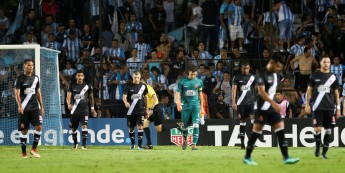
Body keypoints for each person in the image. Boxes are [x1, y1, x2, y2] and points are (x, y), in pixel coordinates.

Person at [243, 54, 299, 165]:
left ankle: (286, 157)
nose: (279, 69)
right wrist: (275, 103)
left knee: (280, 131)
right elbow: (262, 92)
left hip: (272, 109)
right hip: (262, 109)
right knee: (256, 133)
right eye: (277, 66)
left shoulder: (276, 75)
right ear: (272, 63)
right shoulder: (261, 75)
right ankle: (247, 157)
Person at [305, 56, 340, 159]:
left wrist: (338, 108)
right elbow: (309, 91)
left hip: (329, 108)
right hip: (317, 107)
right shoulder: (315, 75)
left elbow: (336, 94)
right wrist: (307, 104)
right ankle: (317, 146)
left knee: (329, 131)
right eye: (324, 62)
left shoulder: (333, 77)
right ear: (320, 63)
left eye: (328, 62)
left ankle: (324, 154)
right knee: (317, 129)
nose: (326, 64)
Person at [15, 59, 44, 158]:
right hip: (24, 108)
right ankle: (24, 153)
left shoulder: (36, 78)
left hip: (35, 107)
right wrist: (19, 106)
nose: (31, 67)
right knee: (24, 130)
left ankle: (34, 149)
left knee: (39, 126)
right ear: (24, 66)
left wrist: (42, 106)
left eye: (32, 65)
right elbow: (17, 94)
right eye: (29, 65)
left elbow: (38, 93)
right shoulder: (20, 79)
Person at [175, 66, 205, 150]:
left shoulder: (199, 82)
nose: (193, 76)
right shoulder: (182, 82)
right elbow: (177, 93)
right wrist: (178, 104)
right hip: (186, 107)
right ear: (188, 73)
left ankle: (194, 145)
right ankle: (185, 140)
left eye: (195, 74)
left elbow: (200, 95)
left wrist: (202, 107)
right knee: (185, 127)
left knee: (196, 125)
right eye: (192, 74)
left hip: (196, 106)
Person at [66, 70, 96, 149]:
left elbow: (91, 97)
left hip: (84, 109)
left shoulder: (88, 86)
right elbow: (68, 96)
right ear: (76, 76)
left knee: (84, 125)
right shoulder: (71, 85)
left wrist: (92, 108)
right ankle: (75, 144)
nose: (80, 77)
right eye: (78, 75)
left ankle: (84, 145)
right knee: (73, 128)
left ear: (83, 76)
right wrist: (69, 104)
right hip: (75, 109)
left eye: (81, 75)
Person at [123, 71, 149, 150]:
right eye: (135, 77)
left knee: (140, 126)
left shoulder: (143, 86)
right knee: (131, 128)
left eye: (138, 77)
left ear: (140, 77)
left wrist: (147, 109)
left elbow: (146, 98)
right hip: (131, 110)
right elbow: (124, 96)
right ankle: (132, 144)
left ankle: (140, 146)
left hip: (141, 110)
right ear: (132, 77)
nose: (136, 79)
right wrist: (126, 102)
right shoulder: (128, 86)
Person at [232, 62, 255, 149]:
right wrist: (233, 102)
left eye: (247, 68)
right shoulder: (237, 77)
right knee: (242, 122)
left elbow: (255, 89)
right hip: (241, 102)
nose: (246, 70)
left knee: (253, 120)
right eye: (244, 68)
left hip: (251, 102)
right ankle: (242, 143)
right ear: (241, 68)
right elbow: (234, 89)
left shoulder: (252, 77)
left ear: (249, 68)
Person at [141, 77, 159, 149]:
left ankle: (177, 127)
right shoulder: (144, 90)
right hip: (151, 109)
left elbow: (155, 99)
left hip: (156, 108)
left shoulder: (148, 88)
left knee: (159, 128)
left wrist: (151, 109)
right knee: (145, 123)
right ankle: (149, 144)